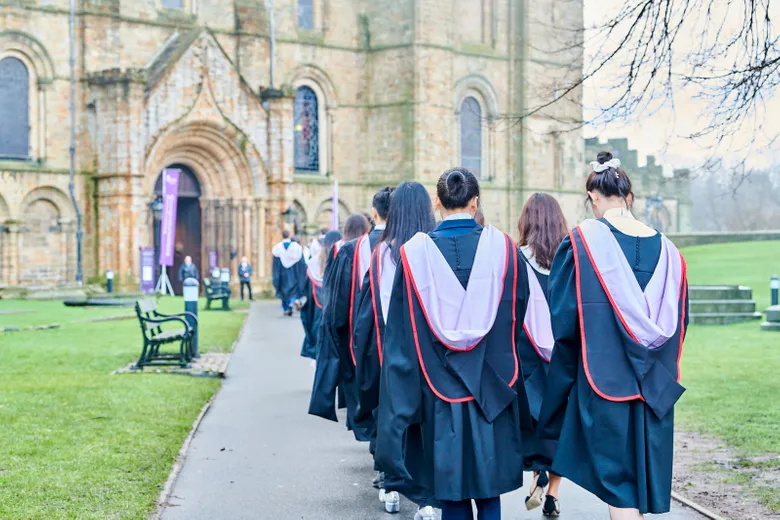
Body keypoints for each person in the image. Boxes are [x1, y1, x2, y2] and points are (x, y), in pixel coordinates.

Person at [537, 152, 689, 520]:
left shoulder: (582, 242)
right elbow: (681, 322)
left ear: (594, 196)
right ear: (629, 196)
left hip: (603, 380)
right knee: (635, 486)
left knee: (619, 489)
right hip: (654, 386)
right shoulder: (671, 252)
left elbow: (565, 321)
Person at [375, 167, 532, 520]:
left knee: (453, 495)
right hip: (493, 384)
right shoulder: (503, 247)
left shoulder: (415, 255)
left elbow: (401, 333)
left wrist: (400, 404)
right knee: (489, 492)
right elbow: (518, 310)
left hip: (439, 388)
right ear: (475, 201)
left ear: (437, 201)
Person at [352, 182, 437, 519]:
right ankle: (428, 500)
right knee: (426, 425)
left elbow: (370, 313)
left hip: (392, 349)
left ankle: (391, 486)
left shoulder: (383, 253)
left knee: (395, 419)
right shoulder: (433, 247)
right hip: (431, 352)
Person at [309, 187, 393, 440]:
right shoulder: (410, 245)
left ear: (374, 213)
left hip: (361, 341)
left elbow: (335, 309)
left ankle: (375, 440)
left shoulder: (350, 250)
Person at [515, 193, 568, 516]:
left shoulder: (517, 258)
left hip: (528, 354)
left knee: (535, 422)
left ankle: (537, 475)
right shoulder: (569, 259)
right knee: (560, 425)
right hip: (562, 355)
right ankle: (553, 494)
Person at [300, 231, 342, 360]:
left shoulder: (313, 267)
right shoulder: (344, 262)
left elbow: (308, 302)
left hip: (319, 321)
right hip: (340, 322)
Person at [272, 230, 306, 316]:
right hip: (294, 273)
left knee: (284, 291)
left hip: (283, 274)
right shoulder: (296, 247)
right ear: (289, 235)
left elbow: (275, 265)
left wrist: (276, 277)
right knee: (294, 290)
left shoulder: (277, 248)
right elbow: (301, 263)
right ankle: (293, 302)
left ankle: (286, 308)